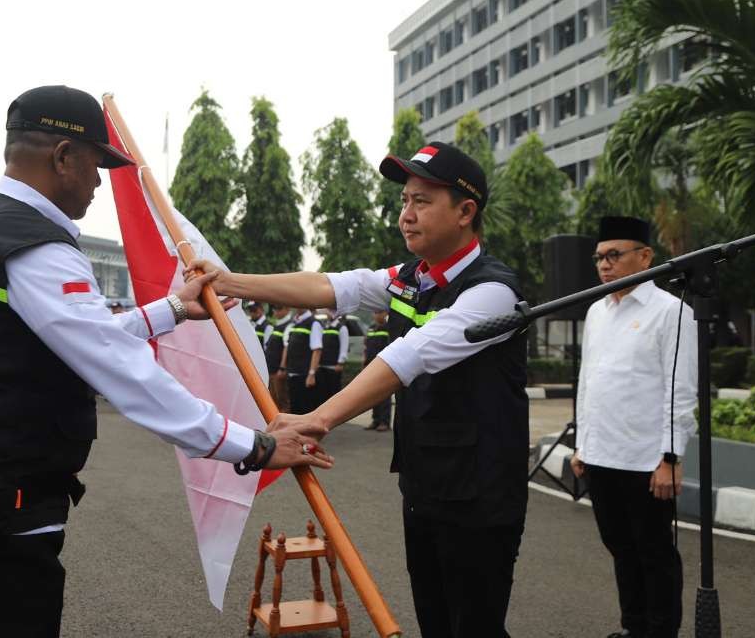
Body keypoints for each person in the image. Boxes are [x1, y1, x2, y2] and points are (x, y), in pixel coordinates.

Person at [0, 85, 330, 638]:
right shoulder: (36, 244)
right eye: (95, 166)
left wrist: (172, 309)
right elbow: (121, 369)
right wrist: (256, 445)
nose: (99, 183)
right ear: (62, 157)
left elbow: (77, 339)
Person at [188, 141, 529, 637]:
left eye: (422, 202)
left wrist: (316, 418)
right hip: (425, 485)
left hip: (480, 496)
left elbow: (408, 356)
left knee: (474, 627)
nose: (406, 215)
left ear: (466, 212)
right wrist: (232, 283)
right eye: (404, 201)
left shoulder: (493, 292)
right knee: (435, 621)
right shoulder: (411, 278)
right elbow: (330, 286)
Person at [570, 216, 698, 638]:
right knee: (620, 550)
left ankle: (660, 632)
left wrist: (671, 458)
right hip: (601, 455)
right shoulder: (596, 310)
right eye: (598, 257)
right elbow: (588, 383)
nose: (604, 265)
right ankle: (633, 627)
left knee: (655, 554)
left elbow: (680, 393)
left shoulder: (672, 312)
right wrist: (581, 445)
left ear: (644, 257)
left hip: (646, 462)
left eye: (613, 255)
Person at [280, 307, 323, 415]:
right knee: (295, 408)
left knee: (305, 409)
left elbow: (317, 350)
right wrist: (284, 367)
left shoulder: (314, 323)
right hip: (292, 373)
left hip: (304, 375)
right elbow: (288, 346)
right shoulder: (294, 323)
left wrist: (311, 374)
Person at [363, 309, 392, 431]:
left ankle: (384, 422)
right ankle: (376, 420)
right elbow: (366, 347)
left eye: (379, 312)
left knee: (384, 394)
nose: (376, 315)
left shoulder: (389, 328)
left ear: (385, 313)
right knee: (373, 394)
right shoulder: (371, 328)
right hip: (370, 365)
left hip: (384, 366)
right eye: (375, 312)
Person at [316, 309, 349, 410]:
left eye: (330, 312)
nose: (328, 314)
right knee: (323, 392)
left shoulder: (341, 328)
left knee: (334, 392)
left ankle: (336, 411)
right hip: (322, 365)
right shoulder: (325, 326)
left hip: (334, 366)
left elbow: (344, 347)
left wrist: (340, 362)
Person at [264, 305, 292, 410]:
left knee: (282, 400)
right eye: (274, 308)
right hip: (271, 369)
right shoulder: (277, 325)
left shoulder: (289, 325)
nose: (276, 311)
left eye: (279, 308)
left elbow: (286, 348)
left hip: (278, 371)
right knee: (273, 400)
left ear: (288, 309)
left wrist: (282, 368)